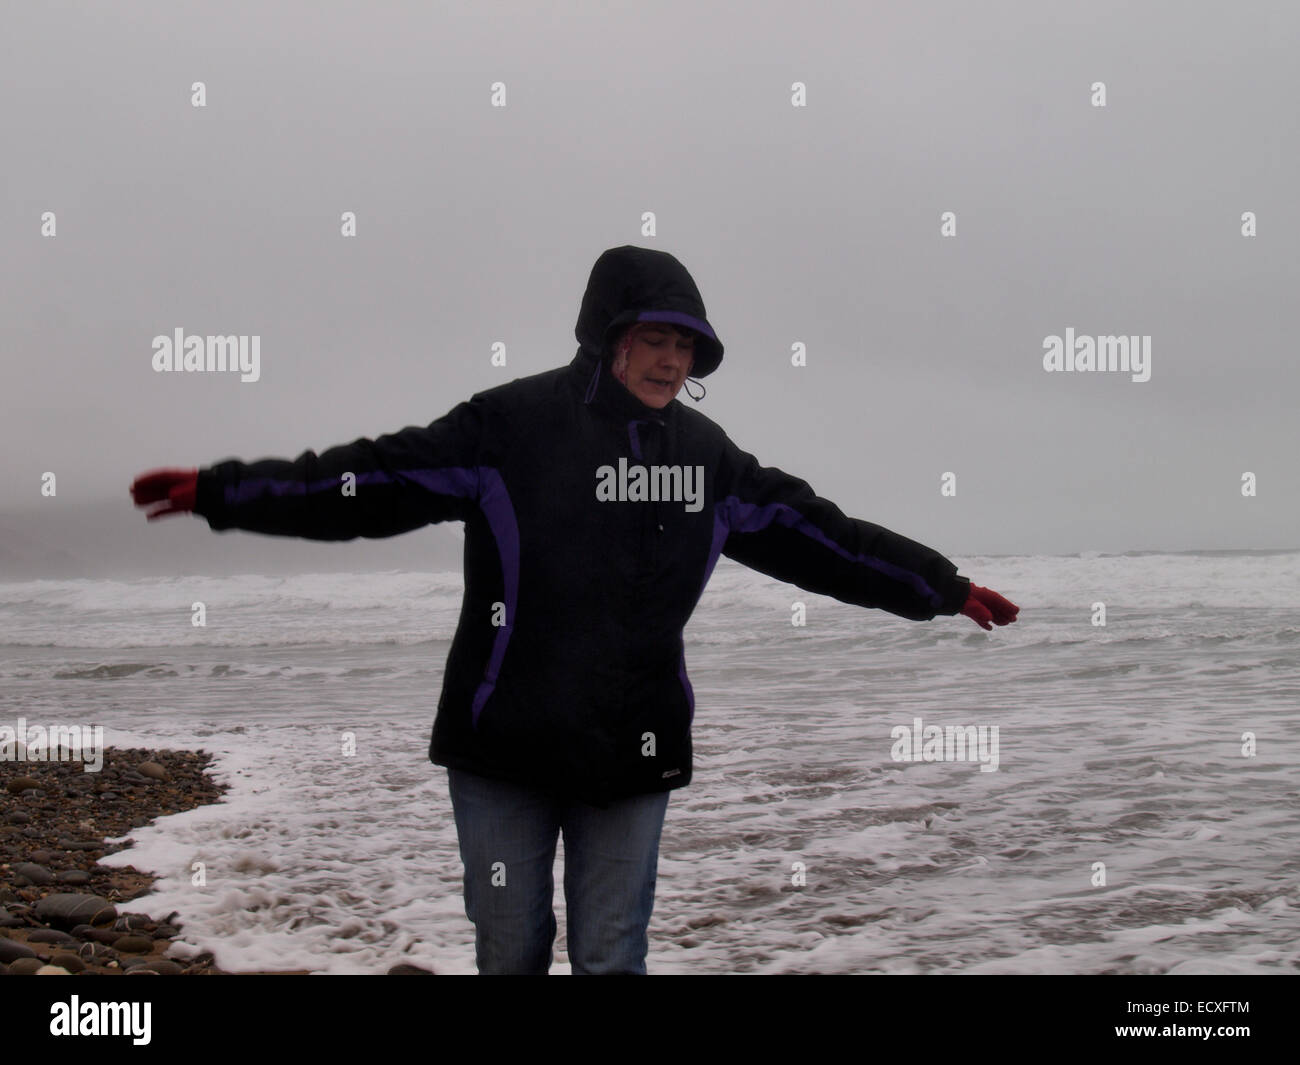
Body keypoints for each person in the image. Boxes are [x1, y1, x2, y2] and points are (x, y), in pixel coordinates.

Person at [131, 244, 1019, 975]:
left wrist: (938, 586)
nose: (674, 361)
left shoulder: (707, 460)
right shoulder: (509, 427)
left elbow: (822, 537)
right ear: (607, 339)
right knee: (511, 953)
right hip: (502, 748)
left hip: (632, 750)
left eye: (688, 347)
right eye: (656, 338)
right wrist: (229, 492)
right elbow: (371, 481)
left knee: (611, 957)